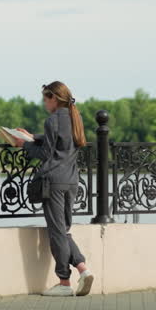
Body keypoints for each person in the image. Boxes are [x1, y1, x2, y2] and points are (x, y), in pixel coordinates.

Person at [13, 81, 95, 297]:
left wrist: (24, 145)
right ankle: (83, 270)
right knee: (63, 230)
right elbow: (60, 141)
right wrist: (33, 136)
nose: (44, 103)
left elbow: (45, 154)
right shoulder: (76, 118)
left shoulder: (52, 120)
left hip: (54, 182)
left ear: (54, 99)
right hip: (71, 180)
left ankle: (64, 283)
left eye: (45, 99)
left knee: (57, 232)